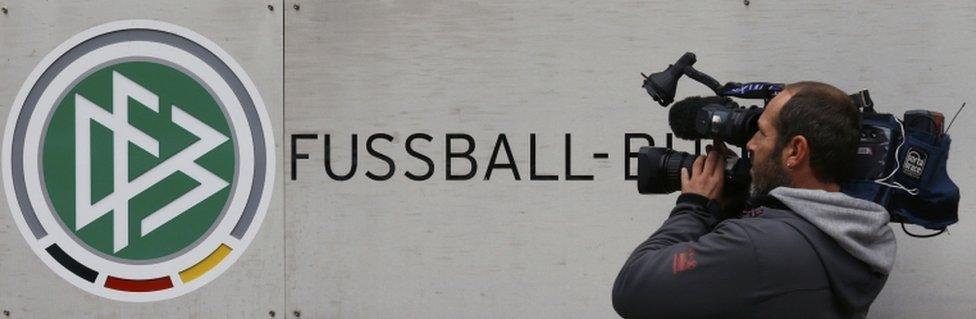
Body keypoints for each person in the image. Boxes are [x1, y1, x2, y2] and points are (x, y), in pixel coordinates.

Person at [612, 82, 897, 318]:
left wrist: (693, 207)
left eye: (762, 133)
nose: (750, 145)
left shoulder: (757, 246)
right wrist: (735, 207)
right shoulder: (854, 237)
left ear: (795, 151)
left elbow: (632, 290)